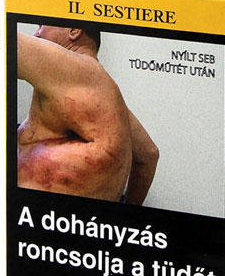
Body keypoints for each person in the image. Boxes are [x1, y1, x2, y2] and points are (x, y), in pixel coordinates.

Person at [17, 24, 159, 203]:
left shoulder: (73, 68)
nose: (36, 34)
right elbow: (148, 154)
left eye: (41, 26)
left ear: (73, 30)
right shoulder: (105, 95)